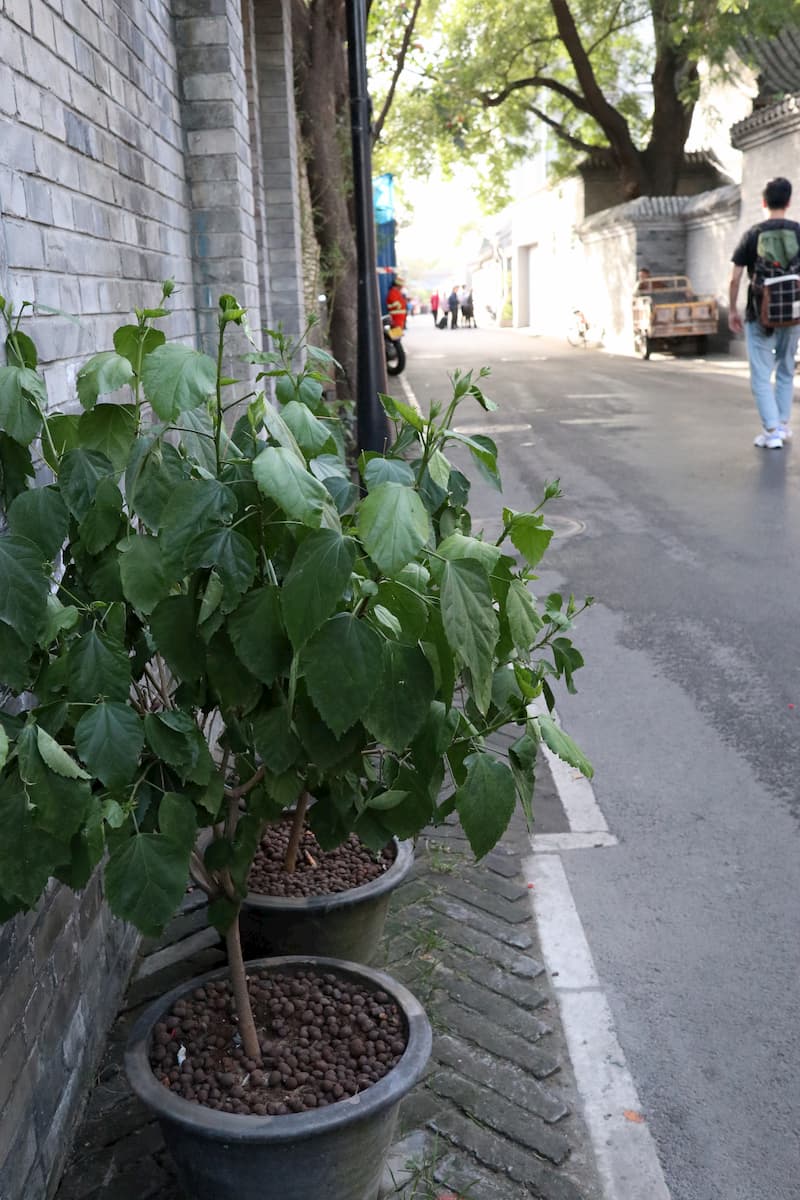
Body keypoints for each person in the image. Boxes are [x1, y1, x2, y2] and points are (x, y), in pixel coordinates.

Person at [729, 176, 800, 449]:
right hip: (792, 314)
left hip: (759, 313)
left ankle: (771, 432)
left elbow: (734, 278)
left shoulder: (753, 234)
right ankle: (782, 425)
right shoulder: (798, 231)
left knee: (760, 374)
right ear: (789, 201)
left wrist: (733, 309)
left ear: (763, 201)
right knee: (785, 369)